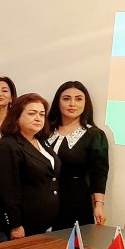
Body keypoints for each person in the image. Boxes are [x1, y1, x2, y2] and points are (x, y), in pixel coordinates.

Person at [0, 93, 62, 238]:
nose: (38, 118)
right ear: (17, 117)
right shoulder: (7, 145)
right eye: (32, 113)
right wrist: (15, 224)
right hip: (24, 223)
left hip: (47, 221)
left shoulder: (41, 141)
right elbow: (7, 190)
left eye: (42, 114)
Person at [47, 81, 109, 228]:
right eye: (66, 99)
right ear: (58, 102)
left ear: (86, 103)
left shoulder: (94, 135)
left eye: (79, 99)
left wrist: (99, 205)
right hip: (41, 199)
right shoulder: (44, 130)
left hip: (75, 200)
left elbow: (99, 173)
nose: (72, 104)